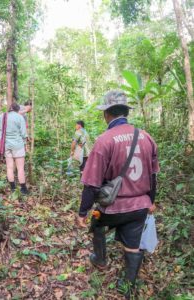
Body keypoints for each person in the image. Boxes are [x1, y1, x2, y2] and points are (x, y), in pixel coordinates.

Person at [77, 90, 159, 298]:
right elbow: (153, 176)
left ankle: (100, 259)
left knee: (96, 223)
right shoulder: (146, 137)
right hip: (140, 206)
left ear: (107, 114)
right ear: (126, 112)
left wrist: (82, 212)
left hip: (112, 206)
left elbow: (91, 184)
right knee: (133, 245)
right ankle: (129, 287)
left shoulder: (104, 141)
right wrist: (151, 201)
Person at [0, 102, 28, 194]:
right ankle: (23, 189)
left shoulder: (3, 116)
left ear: (10, 108)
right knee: (20, 168)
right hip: (18, 145)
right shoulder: (20, 117)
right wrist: (25, 145)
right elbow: (23, 134)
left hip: (6, 145)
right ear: (18, 110)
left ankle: (13, 188)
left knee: (9, 167)